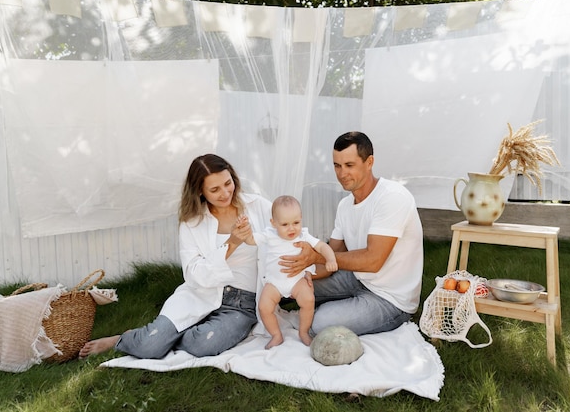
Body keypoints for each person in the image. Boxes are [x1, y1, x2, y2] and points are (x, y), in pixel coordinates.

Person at [79, 154, 272, 359]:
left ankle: (156, 337)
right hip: (200, 294)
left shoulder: (257, 206)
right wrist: (231, 243)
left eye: (228, 183)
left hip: (242, 304)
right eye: (215, 190)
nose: (225, 193)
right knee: (149, 348)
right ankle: (127, 339)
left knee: (203, 345)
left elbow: (289, 232)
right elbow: (193, 274)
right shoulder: (192, 222)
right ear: (200, 191)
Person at [279, 131, 423, 336]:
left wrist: (316, 256)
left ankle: (326, 311)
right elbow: (331, 257)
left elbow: (373, 260)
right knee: (290, 286)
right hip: (357, 279)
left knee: (320, 323)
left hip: (390, 298)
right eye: (337, 166)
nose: (341, 173)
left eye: (349, 165)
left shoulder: (392, 197)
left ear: (369, 162)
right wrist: (301, 268)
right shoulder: (345, 205)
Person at [244, 195, 337, 349]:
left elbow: (322, 247)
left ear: (301, 219)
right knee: (264, 307)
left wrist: (331, 259)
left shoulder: (304, 236)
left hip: (297, 281)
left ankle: (303, 332)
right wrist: (246, 233)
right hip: (274, 282)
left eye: (296, 222)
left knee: (308, 300)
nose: (292, 228)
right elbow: (251, 241)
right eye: (285, 224)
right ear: (273, 223)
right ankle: (276, 335)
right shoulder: (269, 235)